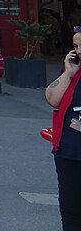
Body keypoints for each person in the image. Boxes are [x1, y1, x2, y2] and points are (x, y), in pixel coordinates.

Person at [45, 30, 81, 231]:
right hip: (69, 152)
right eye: (76, 46)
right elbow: (52, 98)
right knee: (71, 212)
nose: (79, 51)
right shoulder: (75, 71)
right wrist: (68, 73)